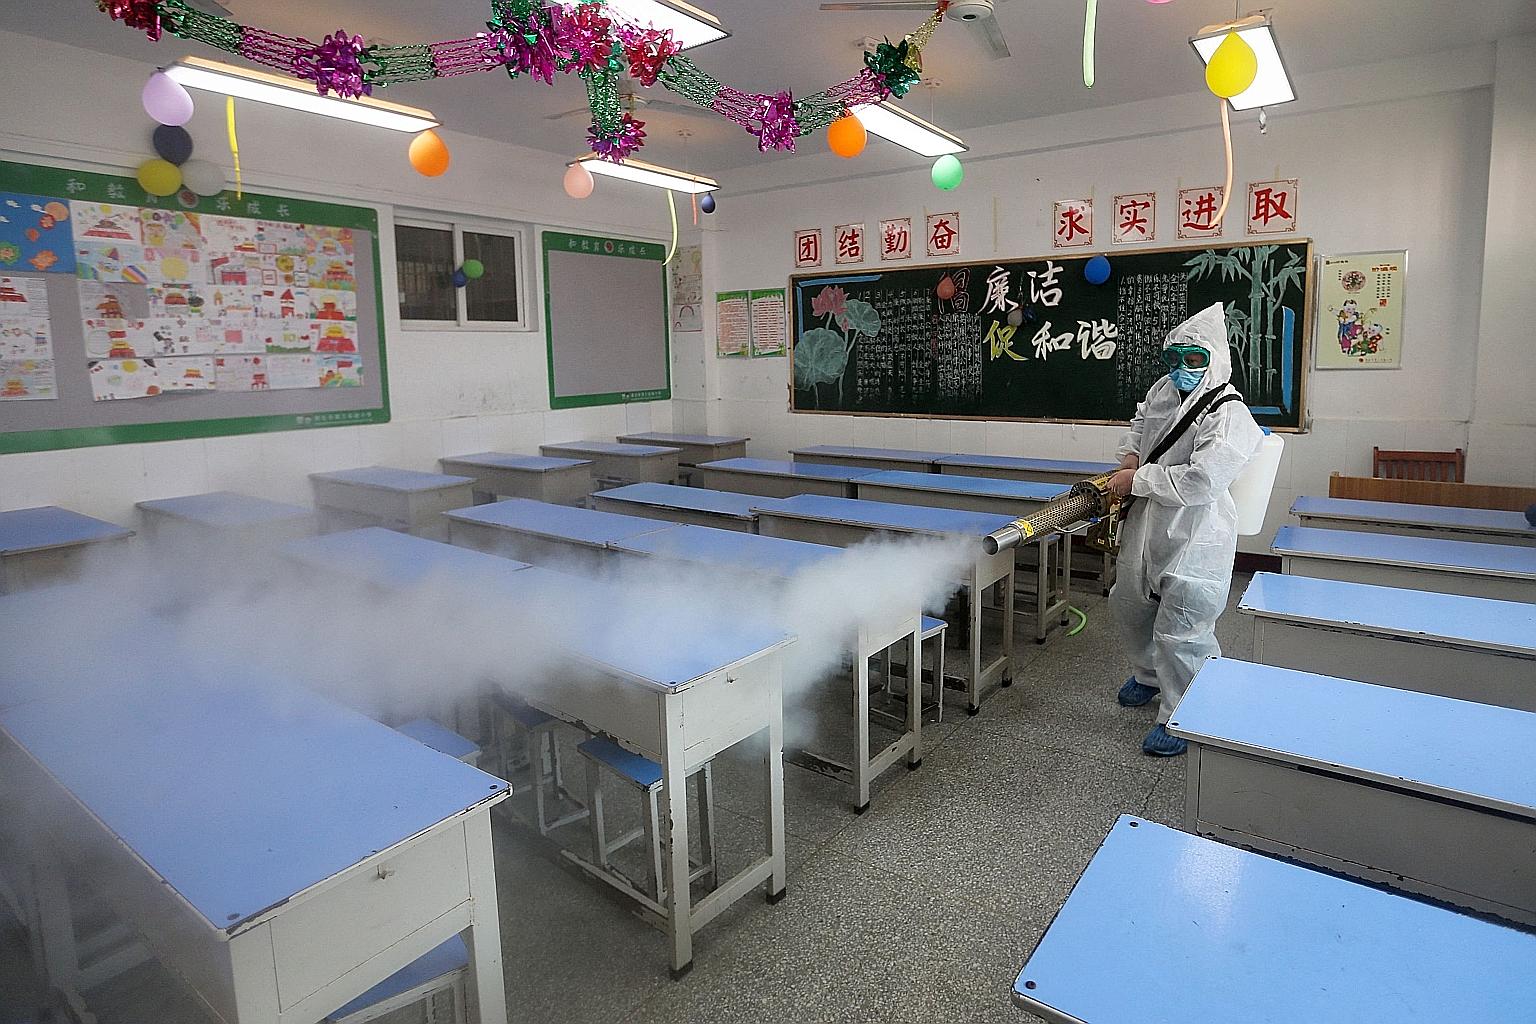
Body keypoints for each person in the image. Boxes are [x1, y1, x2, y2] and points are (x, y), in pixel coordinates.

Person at [1105, 303, 1263, 756]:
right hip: (1147, 521)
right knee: (1131, 602)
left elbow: (1202, 481)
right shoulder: (1162, 390)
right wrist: (1131, 456)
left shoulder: (1230, 414)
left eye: (1192, 360)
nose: (1181, 369)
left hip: (1196, 529)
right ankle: (1149, 675)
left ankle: (1184, 711)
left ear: (1213, 358)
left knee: (1184, 622)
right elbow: (1140, 426)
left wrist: (1136, 480)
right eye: (1174, 358)